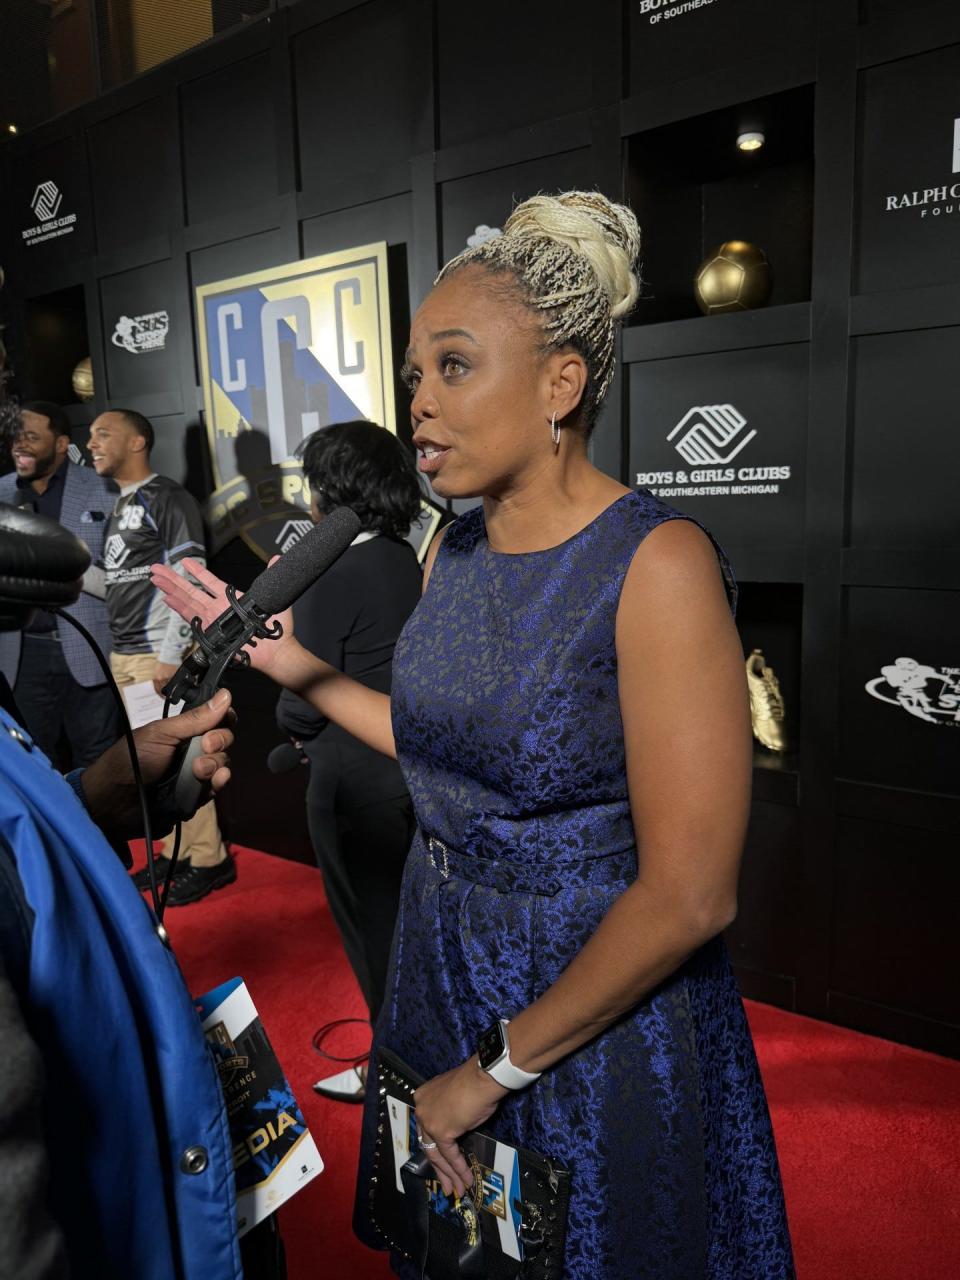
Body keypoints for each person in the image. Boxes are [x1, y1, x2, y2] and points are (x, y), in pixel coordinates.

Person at [152, 190, 795, 1278]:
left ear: (561, 382)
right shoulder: (448, 549)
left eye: (454, 367)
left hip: (591, 1001)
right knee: (462, 1250)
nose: (420, 405)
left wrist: (493, 1070)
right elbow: (440, 743)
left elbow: (692, 894)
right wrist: (289, 662)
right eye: (413, 376)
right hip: (439, 957)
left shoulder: (659, 562)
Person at [274, 421, 422, 1102]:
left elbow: (302, 704)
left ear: (332, 487)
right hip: (405, 778)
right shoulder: (400, 554)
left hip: (351, 786)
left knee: (375, 941)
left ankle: (392, 1077)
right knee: (407, 935)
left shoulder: (330, 571)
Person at [88, 408, 234, 905]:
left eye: (103, 433)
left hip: (157, 655)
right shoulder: (118, 505)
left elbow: (191, 573)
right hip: (127, 654)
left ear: (137, 441)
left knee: (178, 757)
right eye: (90, 435)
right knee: (151, 762)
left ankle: (209, 858)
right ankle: (174, 853)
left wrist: (172, 653)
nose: (92, 443)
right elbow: (114, 582)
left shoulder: (166, 495)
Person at [0, 401, 119, 767]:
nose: (20, 444)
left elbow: (129, 574)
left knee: (99, 762)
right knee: (32, 763)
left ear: (62, 442)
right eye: (16, 436)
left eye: (32, 436)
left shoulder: (103, 488)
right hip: (21, 656)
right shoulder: (1, 492)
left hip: (89, 646)